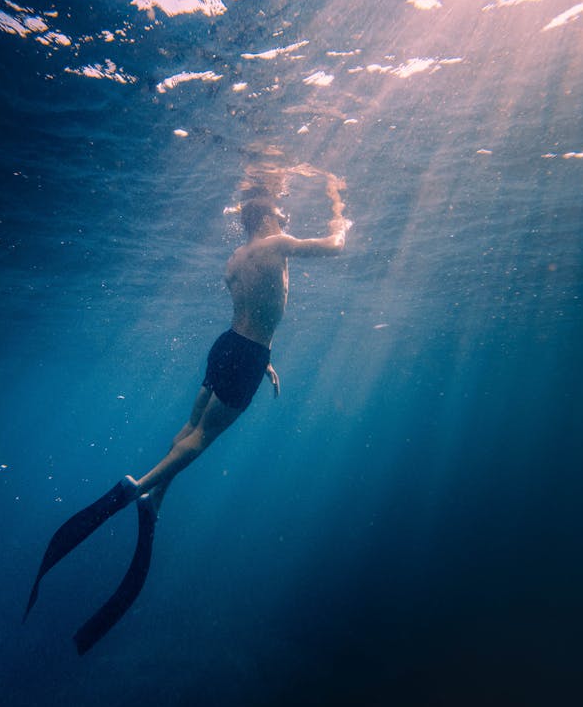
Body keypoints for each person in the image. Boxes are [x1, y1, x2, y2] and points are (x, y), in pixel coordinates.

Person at [24, 193, 351, 654]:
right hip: (248, 352)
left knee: (188, 427)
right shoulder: (276, 243)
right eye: (278, 209)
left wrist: (263, 361)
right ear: (268, 215)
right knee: (202, 439)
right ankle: (137, 488)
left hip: (227, 346)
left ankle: (155, 500)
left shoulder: (235, 259)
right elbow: (335, 247)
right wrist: (342, 218)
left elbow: (256, 307)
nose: (284, 214)